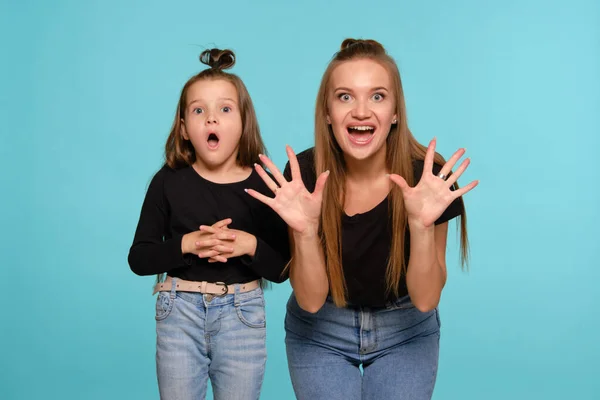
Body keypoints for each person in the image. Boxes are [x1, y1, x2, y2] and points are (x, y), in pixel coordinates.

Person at [246, 39, 478, 399]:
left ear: (396, 111)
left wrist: (421, 226)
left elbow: (427, 298)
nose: (361, 111)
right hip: (320, 329)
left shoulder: (428, 178)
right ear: (327, 112)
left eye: (377, 96)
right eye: (345, 97)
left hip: (406, 330)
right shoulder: (303, 178)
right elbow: (308, 300)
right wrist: (305, 232)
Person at [128, 48, 290, 400]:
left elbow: (282, 269)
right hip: (178, 312)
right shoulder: (167, 181)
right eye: (199, 110)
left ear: (244, 122)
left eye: (225, 109)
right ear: (184, 129)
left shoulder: (264, 185)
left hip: (241, 315)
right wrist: (186, 245)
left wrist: (249, 245)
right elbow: (139, 259)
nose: (211, 120)